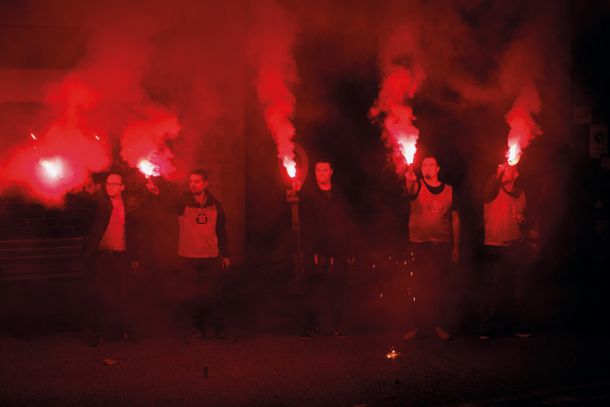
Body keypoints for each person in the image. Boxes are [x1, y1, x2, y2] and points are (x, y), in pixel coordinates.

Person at [147, 169, 232, 342]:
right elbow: (167, 203)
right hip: (188, 258)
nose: (192, 184)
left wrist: (226, 255)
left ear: (205, 184)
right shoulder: (182, 202)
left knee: (214, 296)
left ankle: (219, 332)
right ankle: (195, 332)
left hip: (210, 257)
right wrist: (157, 193)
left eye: (197, 181)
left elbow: (221, 231)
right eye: (191, 181)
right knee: (191, 296)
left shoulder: (216, 205)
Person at [403, 156, 460, 341]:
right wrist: (409, 181)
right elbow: (410, 189)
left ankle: (438, 326)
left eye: (430, 165)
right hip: (420, 244)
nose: (427, 167)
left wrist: (456, 247)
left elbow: (455, 219)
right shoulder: (416, 185)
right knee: (417, 287)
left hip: (441, 244)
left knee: (438, 288)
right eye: (424, 165)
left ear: (437, 169)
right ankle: (415, 327)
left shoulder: (450, 191)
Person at [82, 171, 141, 347]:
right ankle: (95, 334)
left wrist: (135, 256)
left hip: (121, 257)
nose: (110, 187)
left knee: (125, 295)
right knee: (98, 296)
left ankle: (126, 331)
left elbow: (133, 234)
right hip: (102, 258)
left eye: (114, 184)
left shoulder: (129, 207)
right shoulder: (99, 204)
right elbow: (84, 203)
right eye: (108, 184)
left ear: (122, 187)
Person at [297, 160, 355, 338]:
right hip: (315, 248)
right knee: (313, 288)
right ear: (315, 173)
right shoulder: (308, 195)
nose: (321, 173)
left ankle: (338, 327)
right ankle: (311, 327)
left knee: (337, 287)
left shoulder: (340, 197)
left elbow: (346, 223)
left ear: (331, 172)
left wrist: (349, 249)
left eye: (324, 170)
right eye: (318, 170)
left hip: (336, 248)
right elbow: (303, 221)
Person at [479, 163, 530, 339]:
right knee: (492, 289)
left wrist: (522, 220)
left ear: (516, 174)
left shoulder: (521, 194)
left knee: (516, 288)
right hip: (494, 246)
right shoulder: (492, 189)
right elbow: (490, 185)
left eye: (509, 168)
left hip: (515, 245)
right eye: (504, 168)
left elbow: (522, 218)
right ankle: (487, 327)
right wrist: (496, 174)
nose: (505, 169)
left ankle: (517, 325)